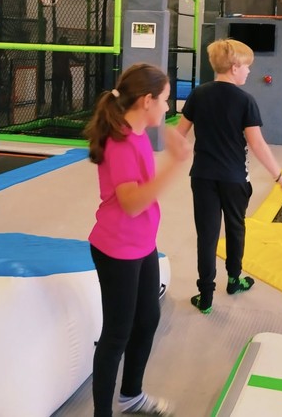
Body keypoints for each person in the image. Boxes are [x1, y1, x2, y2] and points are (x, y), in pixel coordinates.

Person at [85, 63, 189, 417]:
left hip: (142, 244)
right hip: (117, 248)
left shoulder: (137, 133)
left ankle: (131, 394)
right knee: (117, 333)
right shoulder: (121, 143)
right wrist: (175, 164)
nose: (168, 106)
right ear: (147, 100)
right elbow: (131, 203)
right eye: (165, 99)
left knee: (147, 319)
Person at [177, 39, 282, 315]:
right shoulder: (245, 100)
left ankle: (205, 296)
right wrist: (278, 175)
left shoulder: (198, 94)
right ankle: (233, 279)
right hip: (234, 178)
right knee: (235, 228)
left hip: (203, 176)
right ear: (234, 66)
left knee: (207, 235)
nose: (249, 72)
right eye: (247, 67)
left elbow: (179, 134)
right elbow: (257, 144)